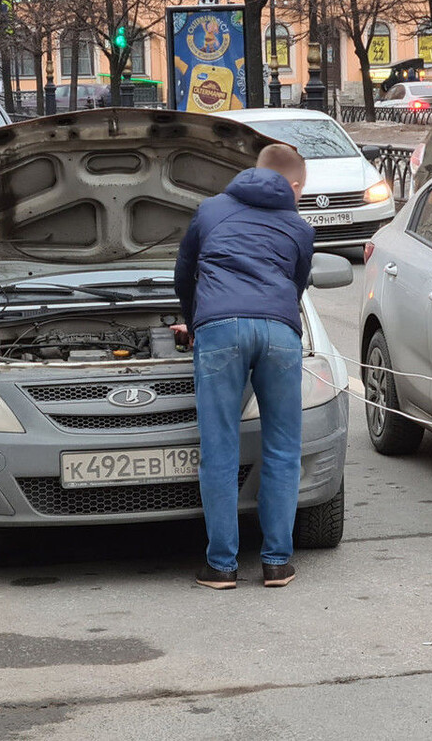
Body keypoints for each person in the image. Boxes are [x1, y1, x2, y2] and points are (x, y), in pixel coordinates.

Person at [175, 144, 315, 590]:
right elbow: (296, 284)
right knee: (281, 448)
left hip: (218, 328)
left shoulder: (212, 209)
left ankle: (222, 566)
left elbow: (184, 270)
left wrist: (195, 319)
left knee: (219, 449)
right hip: (279, 332)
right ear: (294, 186)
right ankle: (277, 563)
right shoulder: (299, 226)